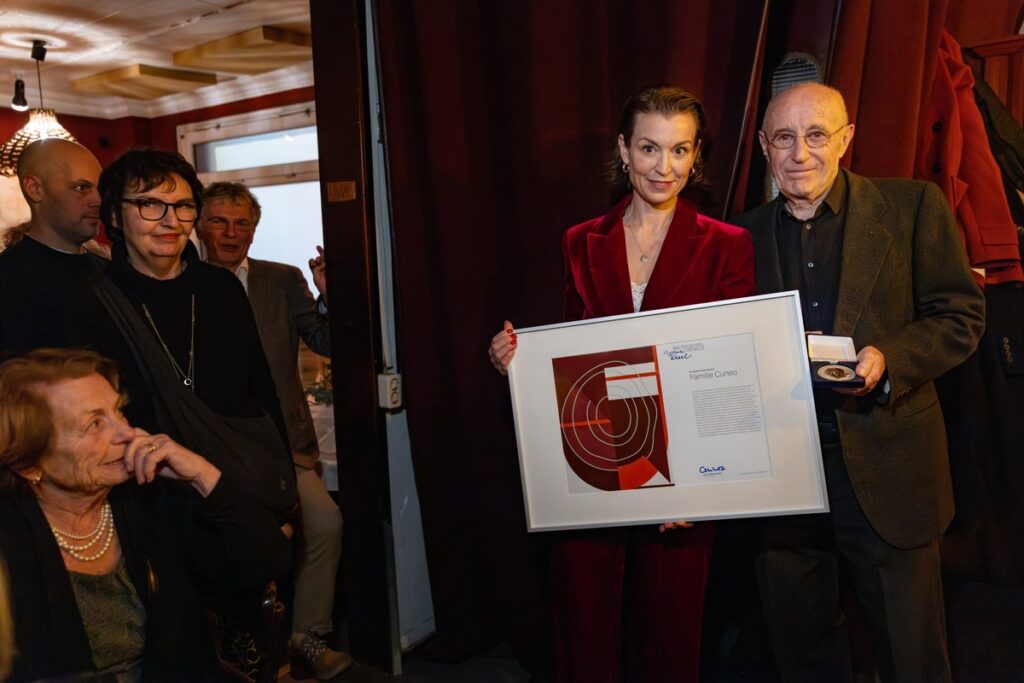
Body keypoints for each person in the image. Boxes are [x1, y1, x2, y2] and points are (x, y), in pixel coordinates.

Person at [488, 85, 755, 681]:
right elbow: (569, 351)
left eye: (680, 150)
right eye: (649, 149)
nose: (665, 167)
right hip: (594, 458)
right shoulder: (580, 240)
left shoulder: (728, 245)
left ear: (696, 155)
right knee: (585, 624)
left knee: (671, 632)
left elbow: (728, 369)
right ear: (623, 150)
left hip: (686, 470)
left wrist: (690, 484)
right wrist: (515, 357)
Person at [730, 83, 985, 683]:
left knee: (911, 654)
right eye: (785, 138)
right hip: (783, 479)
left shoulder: (912, 207)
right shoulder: (738, 238)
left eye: (816, 135)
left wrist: (890, 358)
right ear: (764, 146)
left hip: (889, 463)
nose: (800, 153)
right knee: (801, 650)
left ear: (846, 139)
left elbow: (961, 315)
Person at [0, 348, 292, 682]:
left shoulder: (151, 499)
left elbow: (269, 561)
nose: (126, 432)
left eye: (118, 411)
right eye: (94, 424)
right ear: (29, 464)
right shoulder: (9, 541)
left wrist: (202, 475)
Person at [196, 181, 350, 680]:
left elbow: (328, 343)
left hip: (287, 446)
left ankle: (307, 637)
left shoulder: (282, 280)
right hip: (216, 450)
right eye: (219, 220)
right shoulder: (184, 282)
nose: (231, 232)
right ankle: (256, 654)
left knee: (324, 522)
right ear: (200, 224)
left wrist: (330, 295)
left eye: (242, 222)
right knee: (247, 548)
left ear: (255, 230)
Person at [0, 139, 104, 358]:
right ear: (35, 189)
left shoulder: (111, 273)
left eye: (99, 189)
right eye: (81, 188)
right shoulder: (8, 278)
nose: (97, 200)